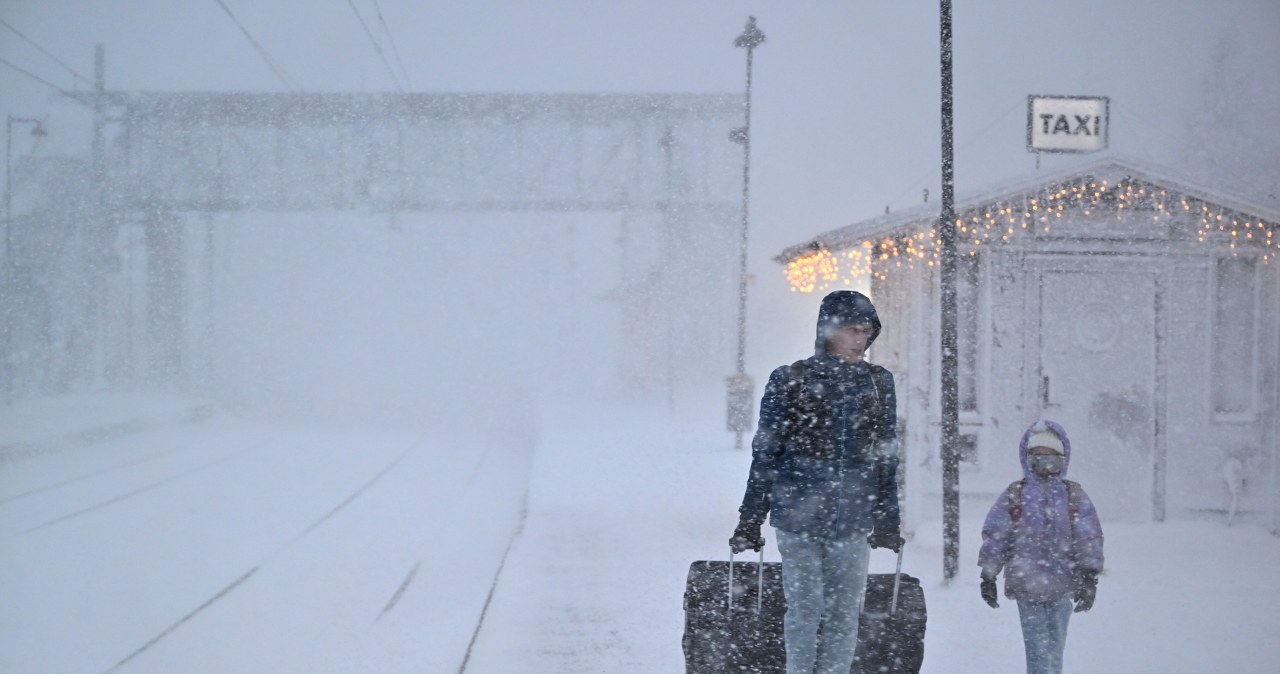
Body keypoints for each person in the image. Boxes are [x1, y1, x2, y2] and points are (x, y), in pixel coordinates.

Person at [730, 290, 903, 674]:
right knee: (804, 610)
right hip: (798, 519)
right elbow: (766, 454)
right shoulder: (791, 380)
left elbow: (886, 456)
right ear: (829, 331)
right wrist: (750, 518)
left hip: (853, 519)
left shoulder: (878, 383)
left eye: (866, 331)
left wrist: (888, 518)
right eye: (852, 330)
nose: (861, 339)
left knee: (844, 614)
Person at [978, 420, 1105, 674]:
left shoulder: (1073, 495)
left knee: (1055, 646)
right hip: (1026, 585)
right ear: (1027, 460)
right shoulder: (1016, 494)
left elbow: (1088, 537)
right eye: (1037, 459)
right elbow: (997, 536)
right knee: (1036, 647)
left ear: (1063, 461)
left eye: (1052, 459)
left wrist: (1089, 577)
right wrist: (988, 574)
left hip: (1063, 584)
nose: (1045, 466)